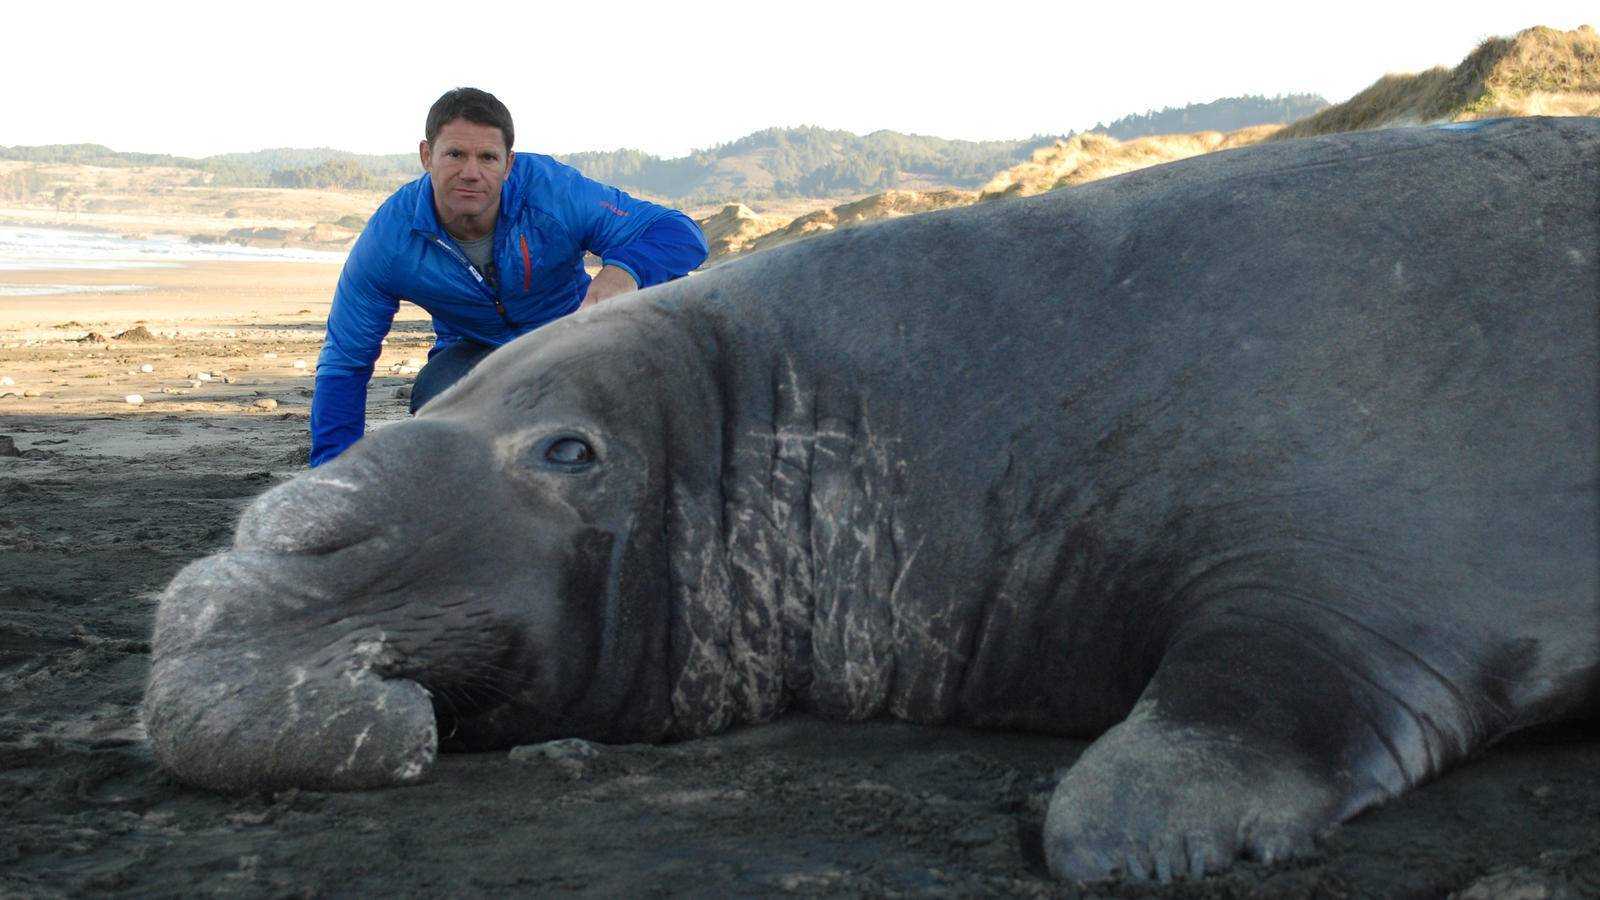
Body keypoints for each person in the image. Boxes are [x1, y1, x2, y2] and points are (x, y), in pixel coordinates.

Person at [309, 87, 708, 467]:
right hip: (472, 352)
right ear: (426, 155)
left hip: (573, 336)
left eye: (487, 157)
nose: (470, 172)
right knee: (438, 414)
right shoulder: (390, 240)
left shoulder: (554, 193)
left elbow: (680, 233)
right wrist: (329, 477)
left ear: (509, 163)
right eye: (455, 154)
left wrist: (625, 270)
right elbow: (345, 362)